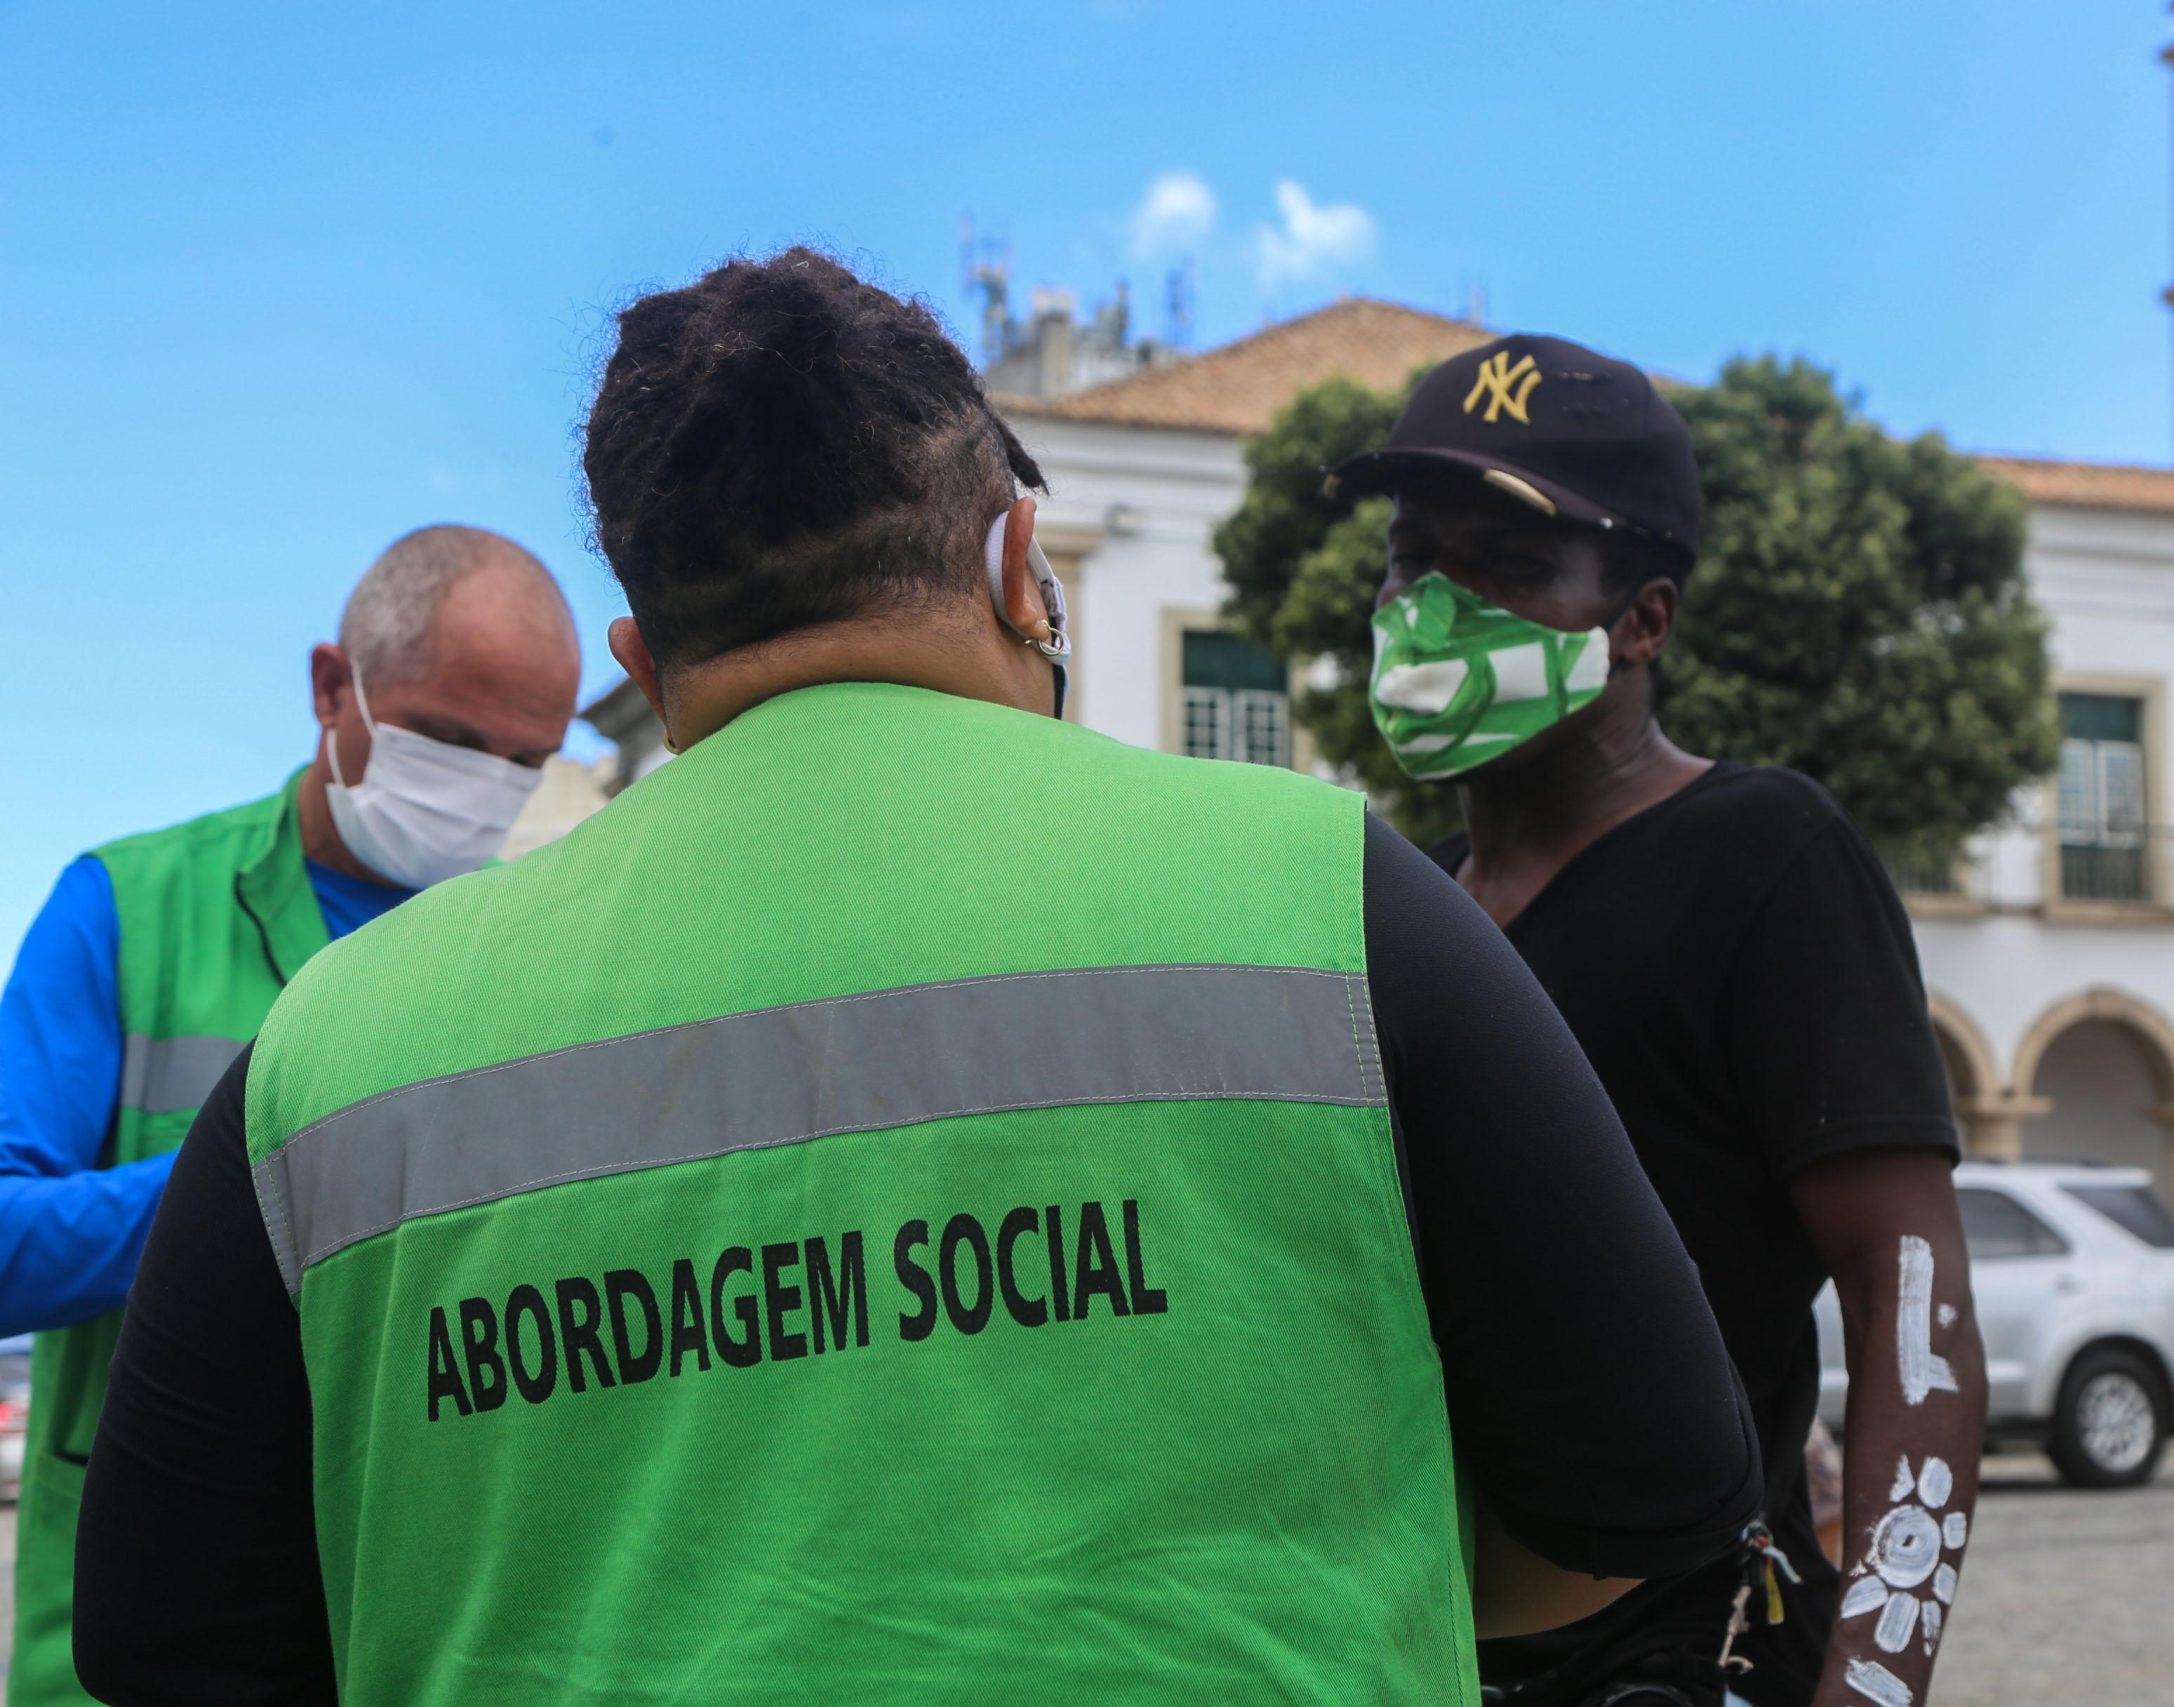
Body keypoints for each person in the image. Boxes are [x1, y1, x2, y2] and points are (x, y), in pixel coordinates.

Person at [73, 250, 1761, 1705]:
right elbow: (1661, 1484)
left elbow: (166, 1640)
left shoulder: (329, 1052)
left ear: (648, 658)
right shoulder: (1328, 898)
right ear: (1023, 565)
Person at [1331, 333, 1991, 1707]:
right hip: (1428, 1655)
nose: (1431, 603)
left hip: (1687, 1652)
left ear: (1643, 619)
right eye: (1410, 556)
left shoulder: (1769, 860)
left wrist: (1877, 1683)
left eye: (1506, 563)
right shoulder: (1407, 910)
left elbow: (1906, 1297)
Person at [0, 525, 581, 1706]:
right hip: (140, 1644)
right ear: (331, 688)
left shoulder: (540, 953)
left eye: (526, 762)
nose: (484, 791)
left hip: (426, 1627)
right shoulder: (127, 907)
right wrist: (279, 1181)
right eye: (449, 741)